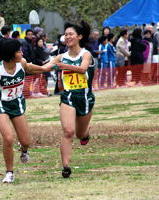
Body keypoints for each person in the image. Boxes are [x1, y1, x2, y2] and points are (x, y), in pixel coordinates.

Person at [0, 38, 53, 183]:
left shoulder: (22, 63)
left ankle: (24, 150)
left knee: (25, 141)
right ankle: (9, 173)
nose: (22, 53)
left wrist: (47, 67)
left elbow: (32, 68)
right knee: (8, 138)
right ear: (10, 55)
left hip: (17, 104)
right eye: (19, 51)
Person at [46, 20, 96, 178]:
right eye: (65, 34)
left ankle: (86, 133)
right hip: (67, 97)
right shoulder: (61, 56)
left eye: (70, 34)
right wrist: (26, 66)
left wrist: (65, 66)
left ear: (79, 37)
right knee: (68, 131)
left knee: (80, 134)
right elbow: (45, 67)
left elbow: (82, 68)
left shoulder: (85, 54)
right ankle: (66, 166)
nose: (67, 37)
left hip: (85, 98)